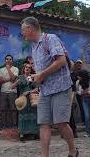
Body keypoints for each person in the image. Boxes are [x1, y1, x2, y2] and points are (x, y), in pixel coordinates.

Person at [20, 16, 78, 157]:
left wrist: (42, 75)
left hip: (61, 87)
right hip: (45, 91)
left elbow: (61, 60)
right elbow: (42, 72)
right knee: (44, 124)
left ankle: (73, 150)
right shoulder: (34, 47)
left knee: (61, 123)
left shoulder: (50, 39)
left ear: (30, 29)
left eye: (23, 30)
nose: (22, 34)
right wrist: (37, 77)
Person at [12, 62, 38, 142]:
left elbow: (37, 89)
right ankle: (22, 133)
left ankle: (32, 133)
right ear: (24, 69)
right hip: (22, 100)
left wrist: (29, 92)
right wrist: (17, 81)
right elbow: (12, 86)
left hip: (31, 99)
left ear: (31, 69)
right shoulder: (20, 77)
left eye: (29, 68)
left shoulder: (32, 77)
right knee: (22, 116)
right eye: (26, 67)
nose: (27, 68)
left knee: (32, 115)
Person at [0, 54, 19, 128]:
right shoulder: (1, 70)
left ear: (12, 61)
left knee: (13, 109)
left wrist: (8, 69)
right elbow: (0, 80)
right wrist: (9, 79)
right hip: (3, 92)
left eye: (10, 59)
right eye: (7, 59)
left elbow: (13, 78)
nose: (8, 60)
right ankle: (4, 125)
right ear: (5, 60)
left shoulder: (16, 69)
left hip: (12, 92)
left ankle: (14, 125)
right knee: (3, 109)